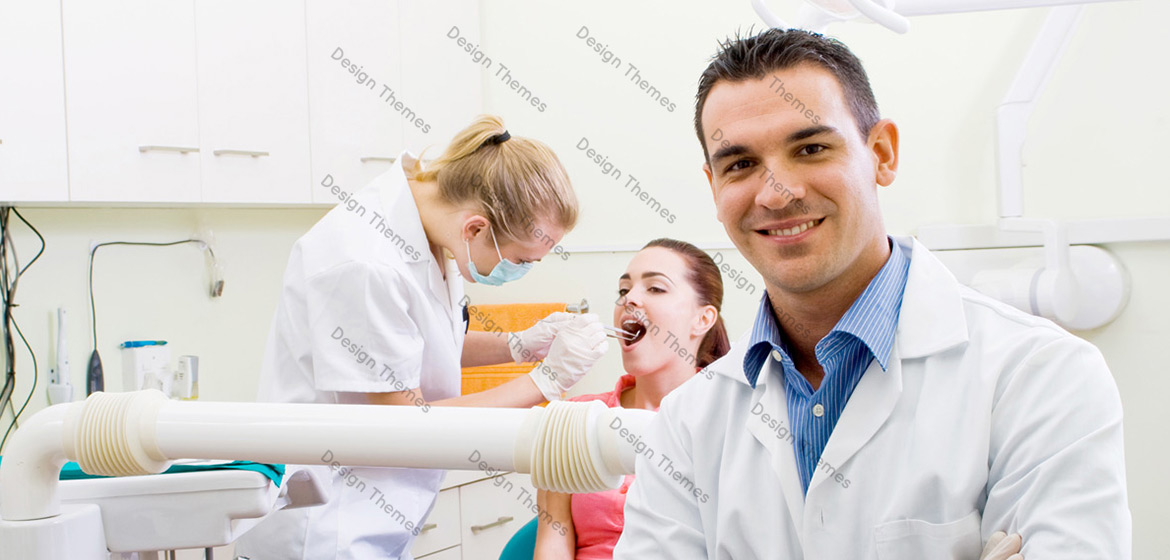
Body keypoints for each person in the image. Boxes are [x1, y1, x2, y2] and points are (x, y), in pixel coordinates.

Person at [614, 29, 1130, 559]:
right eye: (740, 165)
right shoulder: (686, 425)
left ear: (881, 154)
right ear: (714, 188)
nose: (777, 193)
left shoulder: (1040, 376)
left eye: (811, 148)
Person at [234, 115, 609, 559]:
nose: (523, 271)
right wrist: (544, 381)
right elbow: (403, 420)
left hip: (381, 511)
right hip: (329, 521)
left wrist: (518, 344)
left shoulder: (434, 230)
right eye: (522, 260)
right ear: (477, 228)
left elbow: (420, 347)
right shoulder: (367, 261)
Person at [533, 238, 730, 560]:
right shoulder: (575, 417)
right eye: (624, 291)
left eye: (655, 288)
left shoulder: (731, 421)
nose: (630, 299)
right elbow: (553, 542)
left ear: (702, 319)